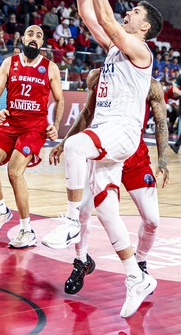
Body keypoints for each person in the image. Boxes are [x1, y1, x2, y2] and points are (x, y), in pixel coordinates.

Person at [41, 0, 163, 318]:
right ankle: (135, 276)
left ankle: (68, 222)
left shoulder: (140, 51)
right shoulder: (114, 48)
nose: (130, 13)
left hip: (122, 131)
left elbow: (108, 18)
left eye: (136, 12)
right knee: (106, 209)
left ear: (144, 28)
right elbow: (86, 13)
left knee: (76, 146)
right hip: (106, 130)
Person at [50, 68, 169, 294]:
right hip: (104, 149)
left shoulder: (150, 84)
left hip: (133, 152)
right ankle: (81, 260)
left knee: (152, 220)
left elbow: (161, 122)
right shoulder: (98, 76)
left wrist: (163, 160)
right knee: (83, 210)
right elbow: (87, 113)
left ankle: (140, 262)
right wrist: (65, 143)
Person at [0, 25, 63, 248]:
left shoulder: (50, 68)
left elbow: (60, 99)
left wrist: (55, 125)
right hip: (11, 123)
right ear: (23, 38)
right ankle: (1, 211)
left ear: (42, 43)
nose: (34, 39)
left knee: (14, 171)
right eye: (30, 34)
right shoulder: (9, 62)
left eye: (39, 36)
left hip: (34, 127)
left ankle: (27, 230)